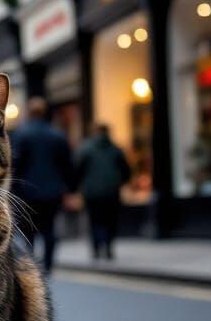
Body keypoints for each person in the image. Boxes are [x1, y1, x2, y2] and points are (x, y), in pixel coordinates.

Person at [9, 97, 75, 273]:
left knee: (28, 229)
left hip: (28, 191)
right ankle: (48, 264)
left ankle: (32, 262)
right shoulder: (58, 135)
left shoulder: (21, 135)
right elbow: (67, 165)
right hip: (53, 191)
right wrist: (71, 189)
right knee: (49, 228)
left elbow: (15, 165)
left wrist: (12, 190)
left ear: (29, 113)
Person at [76, 123, 132, 261]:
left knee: (95, 220)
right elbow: (126, 171)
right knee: (110, 220)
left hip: (92, 193)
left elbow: (78, 170)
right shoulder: (116, 149)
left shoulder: (86, 149)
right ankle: (108, 248)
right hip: (111, 192)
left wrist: (79, 187)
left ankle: (96, 249)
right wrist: (119, 182)